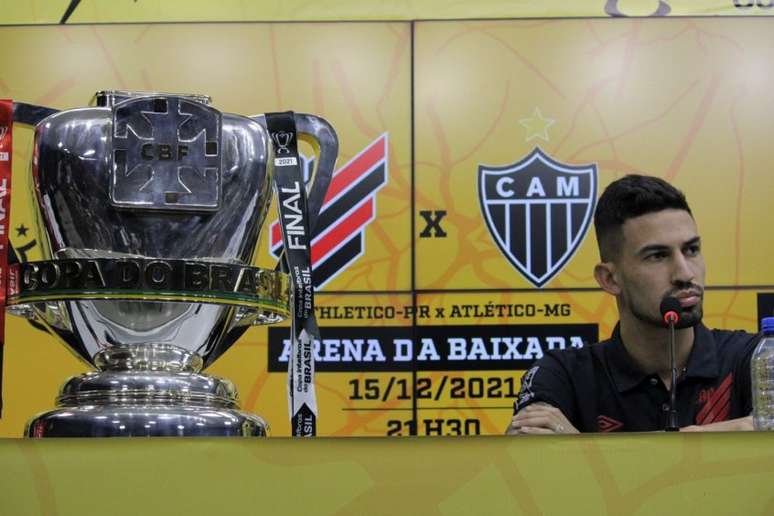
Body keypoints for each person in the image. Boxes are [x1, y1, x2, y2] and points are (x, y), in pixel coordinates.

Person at [506, 175, 758, 434]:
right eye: (657, 256)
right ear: (610, 279)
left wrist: (582, 448)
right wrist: (739, 432)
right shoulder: (564, 373)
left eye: (691, 250)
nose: (685, 273)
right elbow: (526, 454)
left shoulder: (755, 357)